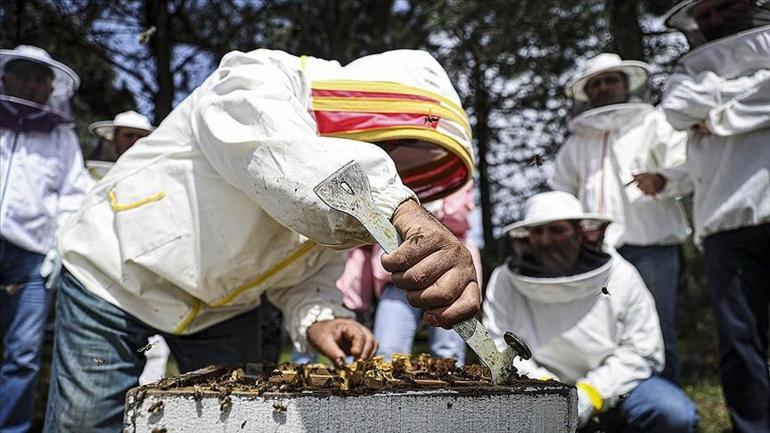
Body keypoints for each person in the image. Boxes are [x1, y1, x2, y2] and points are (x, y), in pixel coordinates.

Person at [43, 48, 480, 432]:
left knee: (238, 421)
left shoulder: (338, 181)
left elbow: (308, 268)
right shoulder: (255, 77)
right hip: (115, 274)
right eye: (390, 148)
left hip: (224, 309)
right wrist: (401, 210)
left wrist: (321, 317)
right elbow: (285, 156)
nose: (389, 164)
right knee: (87, 423)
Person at [637, 2, 770, 431]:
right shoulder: (687, 74)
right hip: (724, 228)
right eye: (704, 15)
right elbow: (678, 108)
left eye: (722, 7)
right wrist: (752, 90)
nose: (713, 20)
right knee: (740, 343)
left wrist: (718, 117)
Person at [482, 191, 698, 432]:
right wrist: (547, 390)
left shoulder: (621, 274)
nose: (546, 240)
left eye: (556, 230)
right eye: (538, 231)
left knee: (672, 413)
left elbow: (642, 350)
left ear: (580, 233)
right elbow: (496, 346)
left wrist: (590, 394)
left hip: (615, 392)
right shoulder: (504, 280)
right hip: (535, 396)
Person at [551, 53, 690, 383]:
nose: (603, 87)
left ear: (626, 85)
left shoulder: (653, 123)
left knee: (657, 328)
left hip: (651, 247)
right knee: (602, 332)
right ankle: (613, 401)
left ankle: (665, 402)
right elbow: (561, 195)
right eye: (596, 83)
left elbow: (687, 167)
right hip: (596, 256)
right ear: (587, 93)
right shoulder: (577, 142)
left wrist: (662, 180)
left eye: (610, 80)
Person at [0, 45, 89, 433]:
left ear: (51, 88)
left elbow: (74, 195)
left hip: (33, 256)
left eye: (40, 79)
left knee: (23, 354)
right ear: (7, 78)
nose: (31, 85)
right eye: (24, 76)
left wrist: (59, 246)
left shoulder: (61, 137)